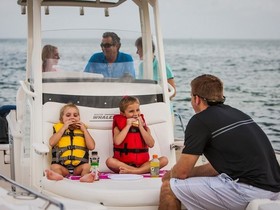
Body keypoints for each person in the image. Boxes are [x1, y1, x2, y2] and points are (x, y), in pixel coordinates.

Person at [158, 74, 280, 210]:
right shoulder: (237, 113)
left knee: (169, 188)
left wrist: (169, 175)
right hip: (274, 189)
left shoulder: (200, 120)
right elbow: (215, 168)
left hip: (248, 190)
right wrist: (187, 174)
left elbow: (181, 173)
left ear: (196, 99)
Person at [106, 96, 168, 174]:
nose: (135, 114)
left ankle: (134, 171)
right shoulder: (118, 128)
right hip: (124, 165)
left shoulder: (145, 128)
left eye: (137, 110)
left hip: (143, 165)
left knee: (164, 160)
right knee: (110, 161)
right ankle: (138, 171)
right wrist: (127, 126)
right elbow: (117, 142)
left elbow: (151, 144)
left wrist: (141, 127)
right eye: (131, 111)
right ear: (123, 113)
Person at [45, 103, 96, 183]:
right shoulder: (59, 129)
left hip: (78, 167)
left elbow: (92, 146)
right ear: (61, 119)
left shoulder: (83, 130)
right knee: (54, 166)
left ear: (79, 118)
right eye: (68, 115)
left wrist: (85, 130)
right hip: (62, 166)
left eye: (75, 115)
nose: (72, 117)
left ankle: (85, 177)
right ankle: (57, 176)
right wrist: (64, 128)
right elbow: (51, 143)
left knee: (87, 166)